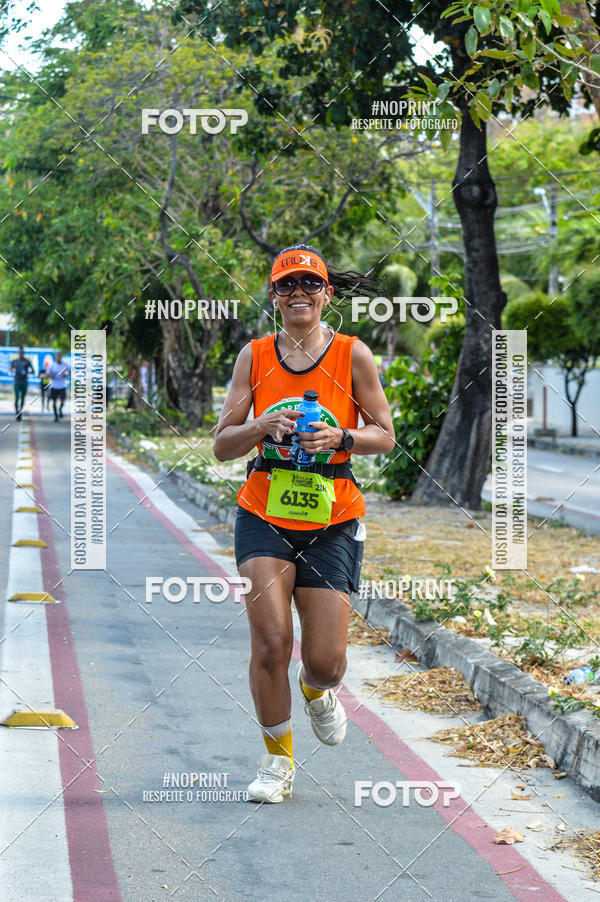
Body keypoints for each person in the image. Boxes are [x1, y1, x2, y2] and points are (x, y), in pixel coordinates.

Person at [214, 243, 395, 803]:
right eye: (287, 285)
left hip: (333, 517)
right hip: (263, 512)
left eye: (310, 285)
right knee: (270, 642)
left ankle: (318, 692)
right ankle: (278, 763)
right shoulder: (255, 356)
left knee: (326, 660)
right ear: (274, 297)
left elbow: (384, 435)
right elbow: (222, 445)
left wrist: (342, 436)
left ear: (327, 295)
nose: (299, 293)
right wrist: (261, 424)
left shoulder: (353, 354)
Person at [10, 346, 34, 421]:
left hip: (24, 382)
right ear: (18, 353)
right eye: (19, 352)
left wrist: (27, 372)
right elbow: (11, 368)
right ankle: (17, 412)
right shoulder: (15, 361)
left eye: (22, 352)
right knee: (17, 397)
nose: (20, 354)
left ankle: (20, 411)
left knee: (23, 398)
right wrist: (12, 370)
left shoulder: (27, 361)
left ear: (23, 353)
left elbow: (33, 371)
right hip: (17, 381)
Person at [48, 351, 71, 422]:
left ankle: (60, 409)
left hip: (62, 385)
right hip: (54, 386)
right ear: (55, 357)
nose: (58, 358)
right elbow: (48, 373)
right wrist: (50, 375)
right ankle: (56, 416)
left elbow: (70, 371)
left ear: (61, 357)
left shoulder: (65, 364)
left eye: (60, 356)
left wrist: (66, 375)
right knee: (54, 402)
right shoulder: (52, 365)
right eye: (57, 356)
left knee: (62, 401)